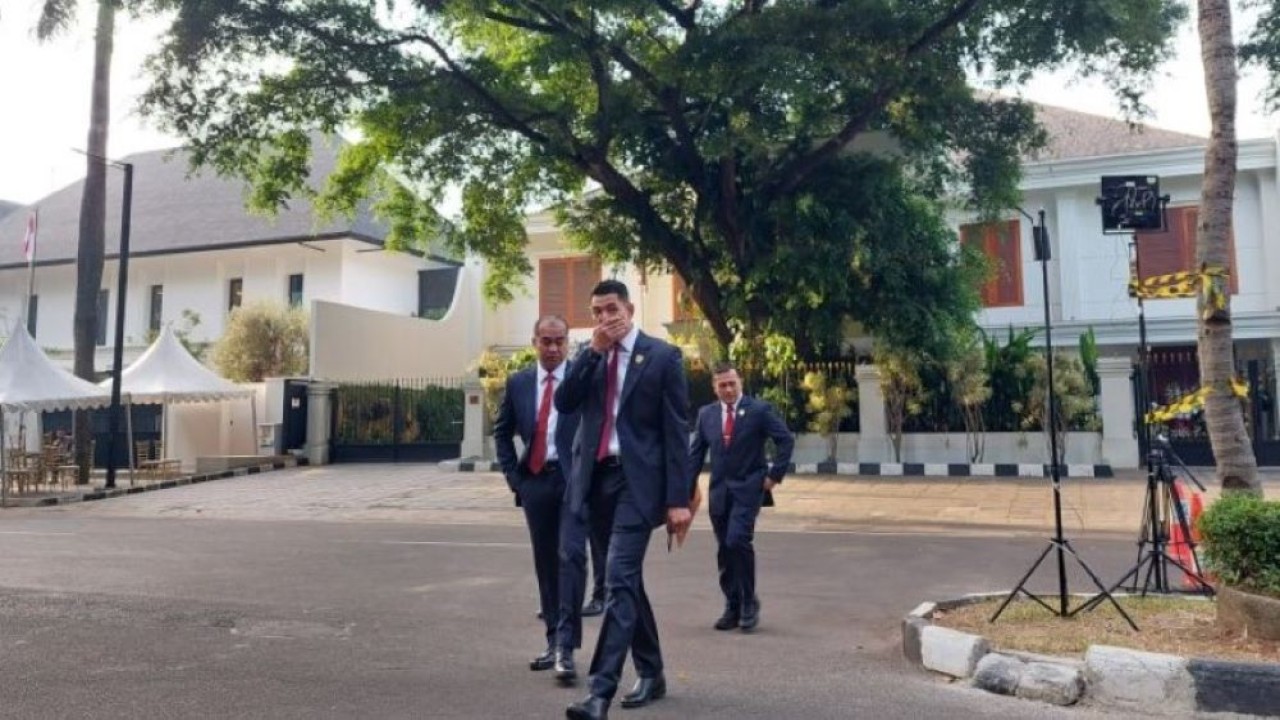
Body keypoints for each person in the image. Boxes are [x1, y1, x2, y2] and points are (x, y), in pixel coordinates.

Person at [558, 279, 691, 720]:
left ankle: (599, 693)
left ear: (630, 310)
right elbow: (565, 402)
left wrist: (678, 499)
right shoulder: (591, 356)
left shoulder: (662, 357)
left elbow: (676, 432)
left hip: (639, 484)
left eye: (611, 309)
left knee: (616, 579)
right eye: (596, 312)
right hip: (596, 482)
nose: (604, 318)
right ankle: (652, 672)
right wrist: (591, 353)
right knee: (626, 582)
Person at [493, 316, 580, 676]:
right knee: (546, 562)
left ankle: (567, 648)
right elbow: (502, 432)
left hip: (573, 482)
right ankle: (553, 641)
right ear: (534, 342)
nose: (554, 348)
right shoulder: (519, 383)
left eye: (560, 341)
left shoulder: (581, 379)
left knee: (570, 558)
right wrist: (516, 480)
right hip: (536, 483)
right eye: (547, 341)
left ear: (568, 342)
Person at [687, 361, 794, 632]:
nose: (728, 389)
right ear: (714, 388)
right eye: (722, 385)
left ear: (740, 383)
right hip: (719, 493)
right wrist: (683, 492)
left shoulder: (758, 411)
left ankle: (748, 601)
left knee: (737, 540)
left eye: (732, 383)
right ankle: (732, 605)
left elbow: (785, 439)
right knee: (725, 549)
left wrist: (774, 475)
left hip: (749, 489)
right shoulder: (706, 415)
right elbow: (695, 456)